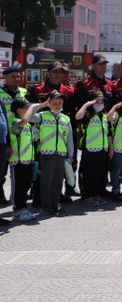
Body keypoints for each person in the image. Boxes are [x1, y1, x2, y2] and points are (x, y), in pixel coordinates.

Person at [31, 91, 74, 215]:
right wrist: (40, 106)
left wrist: (70, 154)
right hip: (46, 153)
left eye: (60, 102)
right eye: (54, 102)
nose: (57, 105)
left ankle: (55, 204)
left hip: (61, 154)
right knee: (47, 181)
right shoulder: (42, 116)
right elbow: (28, 116)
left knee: (58, 181)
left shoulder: (65, 119)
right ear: (48, 102)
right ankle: (46, 205)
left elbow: (70, 138)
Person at [74, 91, 111, 205]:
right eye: (97, 101)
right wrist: (87, 105)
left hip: (102, 149)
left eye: (101, 101)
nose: (100, 103)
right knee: (88, 173)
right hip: (90, 148)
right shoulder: (87, 114)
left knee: (98, 173)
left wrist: (111, 148)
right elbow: (77, 116)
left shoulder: (104, 115)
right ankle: (87, 196)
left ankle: (96, 194)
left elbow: (108, 132)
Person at [0, 65, 26, 206]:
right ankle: (1, 195)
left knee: (18, 169)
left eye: (18, 76)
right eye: (13, 76)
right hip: (3, 136)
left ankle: (16, 195)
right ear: (5, 77)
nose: (16, 79)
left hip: (21, 136)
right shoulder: (0, 93)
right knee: (1, 169)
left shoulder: (23, 92)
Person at [9, 98, 38, 221]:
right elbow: (24, 120)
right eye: (27, 108)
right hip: (18, 161)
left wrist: (42, 104)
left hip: (27, 160)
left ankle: (23, 208)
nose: (29, 111)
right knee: (18, 186)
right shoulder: (15, 122)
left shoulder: (28, 125)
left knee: (26, 186)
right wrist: (33, 107)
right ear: (19, 110)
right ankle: (17, 210)